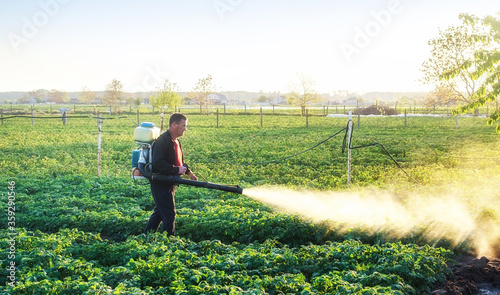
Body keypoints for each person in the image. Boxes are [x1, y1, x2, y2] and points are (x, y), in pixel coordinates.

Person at [144, 113, 197, 235]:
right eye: (183, 125)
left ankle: (146, 237)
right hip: (161, 182)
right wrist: (175, 170)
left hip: (170, 182)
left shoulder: (176, 141)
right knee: (169, 214)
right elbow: (158, 163)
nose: (185, 129)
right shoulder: (163, 141)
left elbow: (179, 162)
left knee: (159, 212)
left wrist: (189, 173)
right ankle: (169, 242)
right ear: (174, 124)